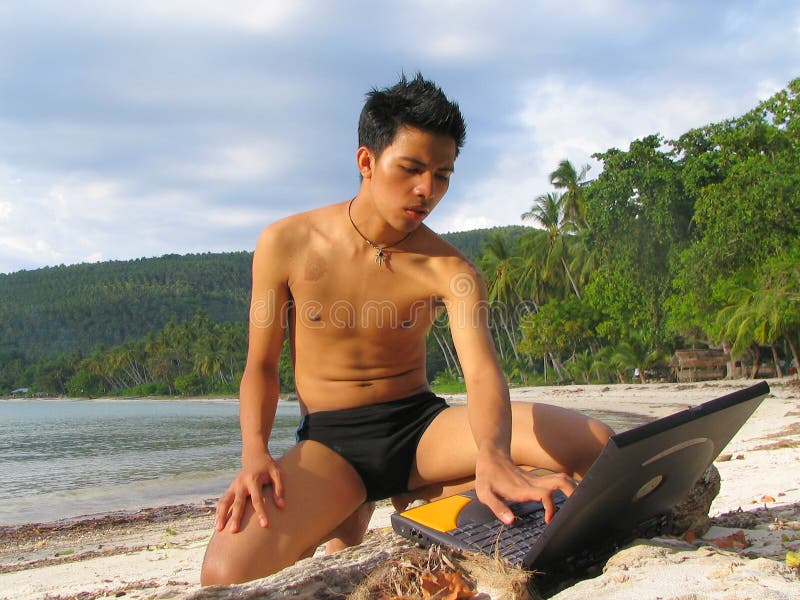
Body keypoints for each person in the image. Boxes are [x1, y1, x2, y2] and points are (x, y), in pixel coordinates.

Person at [200, 73, 613, 585]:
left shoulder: (452, 271)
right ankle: (362, 507)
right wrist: (255, 453)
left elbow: (481, 372)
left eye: (442, 175)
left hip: (421, 431)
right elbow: (261, 366)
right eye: (412, 169)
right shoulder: (284, 244)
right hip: (333, 446)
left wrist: (493, 456)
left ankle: (424, 492)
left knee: (593, 442)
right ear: (367, 162)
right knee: (226, 572)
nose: (427, 190)